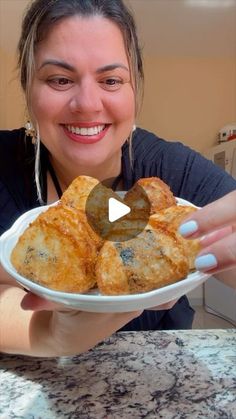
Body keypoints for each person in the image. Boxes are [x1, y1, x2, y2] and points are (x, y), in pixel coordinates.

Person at [0, 0, 235, 357]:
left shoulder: (170, 170)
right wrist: (52, 335)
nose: (88, 103)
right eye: (60, 79)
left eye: (110, 80)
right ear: (28, 88)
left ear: (134, 88)